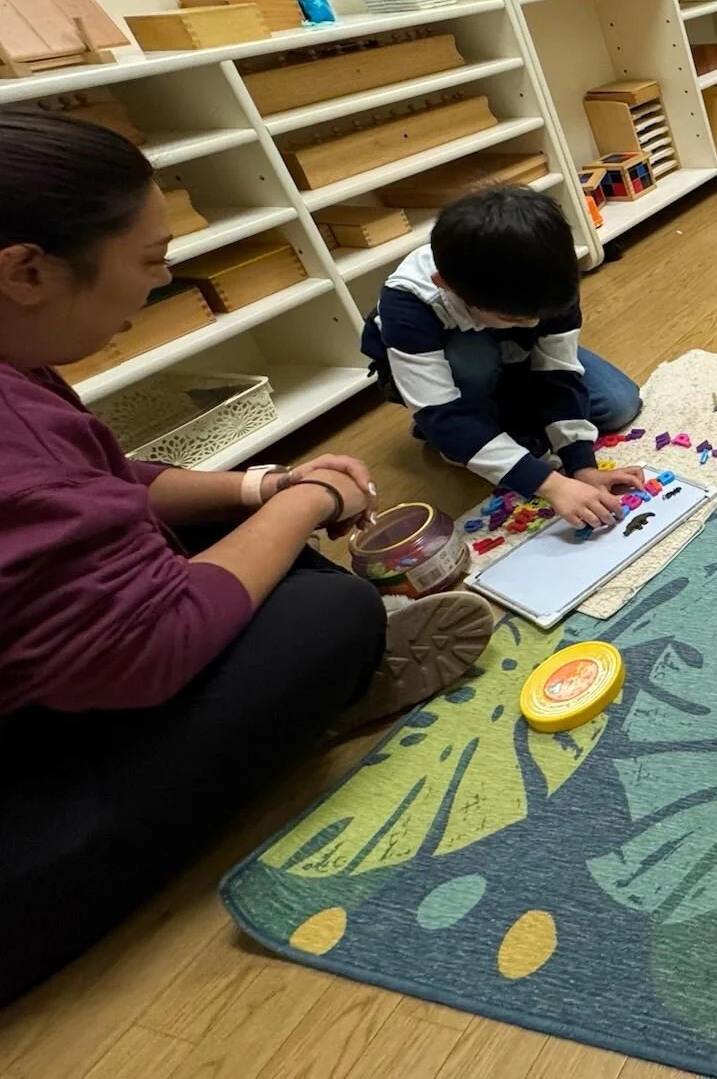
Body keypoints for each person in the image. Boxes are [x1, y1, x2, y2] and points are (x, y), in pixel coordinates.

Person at [0, 111, 495, 1005]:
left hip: (50, 658)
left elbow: (99, 486)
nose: (164, 280)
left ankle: (323, 681)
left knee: (282, 567)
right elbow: (153, 639)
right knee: (329, 609)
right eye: (150, 261)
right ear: (28, 269)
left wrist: (259, 489)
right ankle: (320, 695)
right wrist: (310, 498)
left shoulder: (17, 362)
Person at [363, 188, 646, 530]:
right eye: (517, 319)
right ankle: (463, 433)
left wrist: (581, 466)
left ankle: (499, 417)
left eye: (541, 316)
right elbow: (443, 413)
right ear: (447, 286)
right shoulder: (408, 304)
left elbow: (558, 371)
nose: (536, 323)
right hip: (447, 369)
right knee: (472, 363)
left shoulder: (546, 276)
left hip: (517, 356)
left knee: (618, 404)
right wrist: (552, 484)